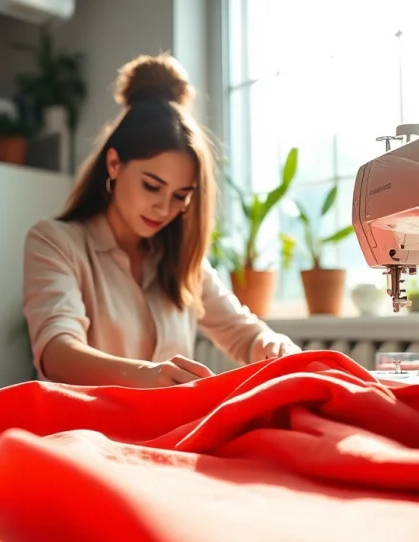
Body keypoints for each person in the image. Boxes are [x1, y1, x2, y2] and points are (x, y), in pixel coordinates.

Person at [22, 53, 300, 389]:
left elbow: (243, 331)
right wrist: (147, 375)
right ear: (114, 165)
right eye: (152, 186)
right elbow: (56, 352)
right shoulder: (54, 241)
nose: (163, 208)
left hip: (167, 433)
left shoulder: (182, 260)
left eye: (181, 195)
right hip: (85, 433)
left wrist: (272, 345)